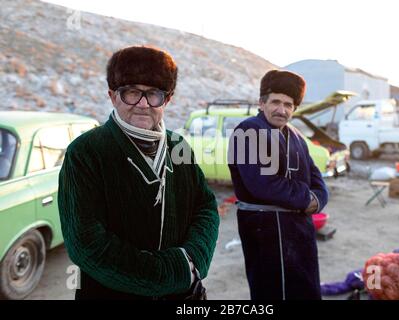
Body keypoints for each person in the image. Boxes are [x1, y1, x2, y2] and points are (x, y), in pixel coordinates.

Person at [58, 45, 219, 299]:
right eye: (132, 92)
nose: (143, 104)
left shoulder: (178, 146)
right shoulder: (85, 152)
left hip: (183, 293)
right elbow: (86, 244)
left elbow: (206, 206)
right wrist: (167, 274)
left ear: (167, 99)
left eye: (154, 94)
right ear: (113, 96)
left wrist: (193, 260)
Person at [228, 70, 328, 300]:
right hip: (266, 229)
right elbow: (262, 184)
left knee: (304, 287)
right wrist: (307, 199)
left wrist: (319, 199)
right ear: (262, 103)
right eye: (275, 102)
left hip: (300, 228)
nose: (281, 110)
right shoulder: (249, 130)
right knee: (272, 292)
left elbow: (315, 176)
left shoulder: (296, 136)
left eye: (288, 104)